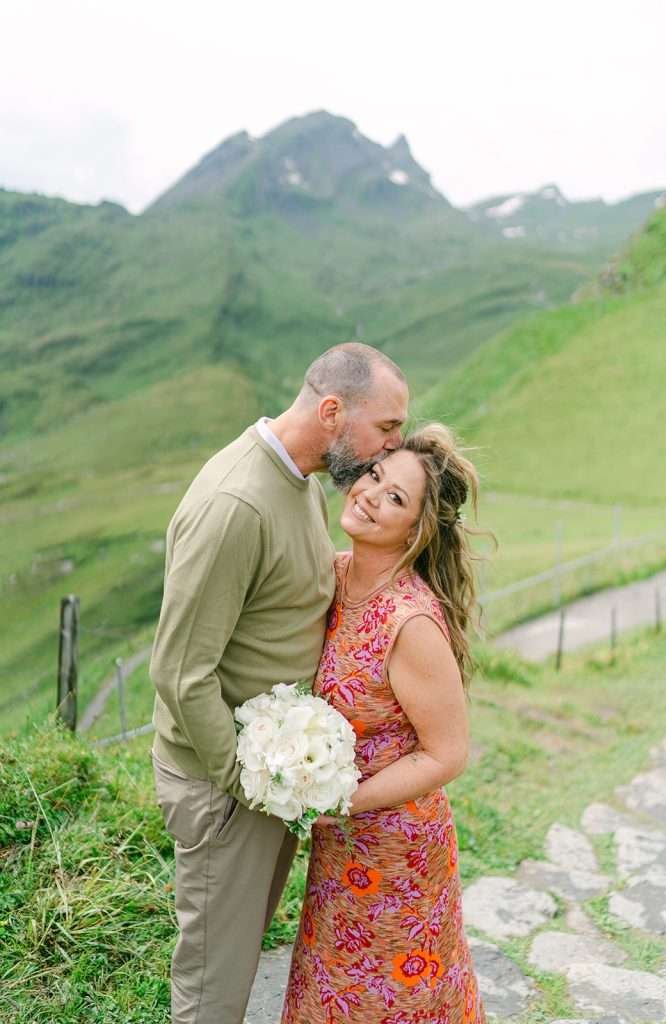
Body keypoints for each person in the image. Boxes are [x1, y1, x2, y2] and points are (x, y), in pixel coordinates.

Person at [149, 342, 409, 1024]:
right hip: (226, 783)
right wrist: (248, 785)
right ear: (332, 411)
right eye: (386, 427)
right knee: (212, 989)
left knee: (235, 965)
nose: (391, 446)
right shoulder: (237, 504)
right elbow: (179, 672)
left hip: (267, 777)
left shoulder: (299, 482)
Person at [282, 423, 487, 1024]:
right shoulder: (335, 575)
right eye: (374, 476)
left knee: (391, 1001)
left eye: (395, 497)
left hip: (399, 853)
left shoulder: (410, 622)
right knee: (330, 989)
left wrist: (342, 800)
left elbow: (447, 753)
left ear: (415, 530)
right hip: (339, 845)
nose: (370, 495)